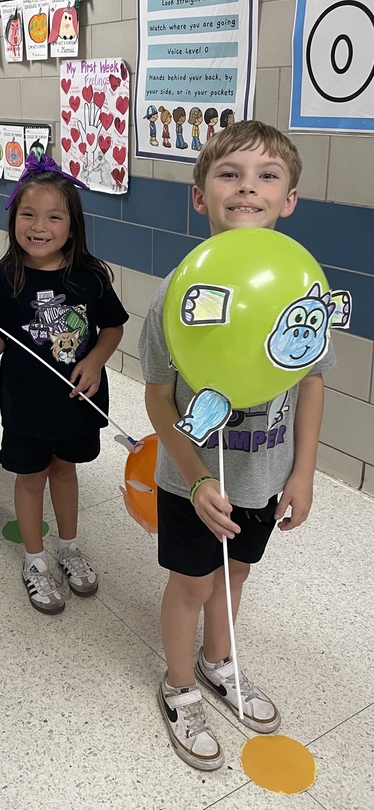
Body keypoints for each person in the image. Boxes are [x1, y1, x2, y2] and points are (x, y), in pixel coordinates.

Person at [138, 121, 335, 772]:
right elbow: (159, 399)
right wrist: (195, 479)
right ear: (200, 198)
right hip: (193, 481)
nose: (247, 187)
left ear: (290, 198)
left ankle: (219, 662)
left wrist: (302, 473)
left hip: (264, 474)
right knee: (191, 584)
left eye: (267, 175)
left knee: (237, 572)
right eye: (229, 174)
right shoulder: (175, 296)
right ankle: (179, 684)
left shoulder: (303, 290)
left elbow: (310, 382)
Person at [0, 154, 127, 613]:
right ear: (14, 218)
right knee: (31, 477)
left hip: (78, 402)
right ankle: (35, 561)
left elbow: (113, 326)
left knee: (65, 470)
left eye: (54, 216)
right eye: (28, 214)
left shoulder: (91, 276)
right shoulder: (4, 278)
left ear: (72, 226)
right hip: (26, 405)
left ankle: (69, 548)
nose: (39, 226)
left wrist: (96, 360)